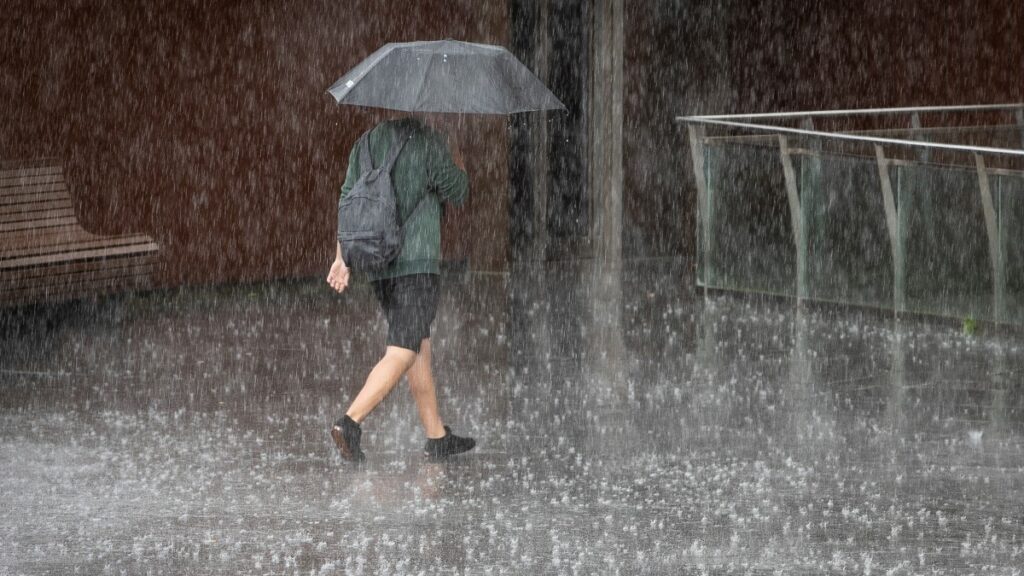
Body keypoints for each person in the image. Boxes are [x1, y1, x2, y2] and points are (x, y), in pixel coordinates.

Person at [326, 113, 476, 462]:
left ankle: (437, 435)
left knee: (416, 344)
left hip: (379, 266)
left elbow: (348, 202)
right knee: (404, 349)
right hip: (416, 265)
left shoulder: (364, 143)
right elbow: (459, 191)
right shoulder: (429, 141)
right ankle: (350, 422)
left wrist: (341, 258)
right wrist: (456, 154)